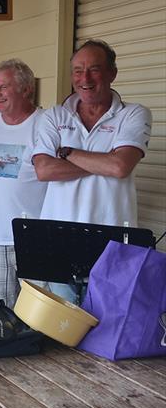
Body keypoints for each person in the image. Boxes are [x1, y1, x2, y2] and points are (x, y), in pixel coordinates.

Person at [32, 39, 151, 302]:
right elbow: (44, 170)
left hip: (112, 244)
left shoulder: (133, 114)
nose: (84, 78)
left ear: (112, 73)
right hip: (58, 240)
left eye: (94, 69)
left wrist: (68, 153)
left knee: (104, 333)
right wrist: (103, 162)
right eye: (77, 70)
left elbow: (120, 166)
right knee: (61, 336)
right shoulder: (53, 117)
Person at [0, 59, 47, 308]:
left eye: (3, 87)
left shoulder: (46, 123)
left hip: (35, 238)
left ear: (26, 89)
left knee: (38, 317)